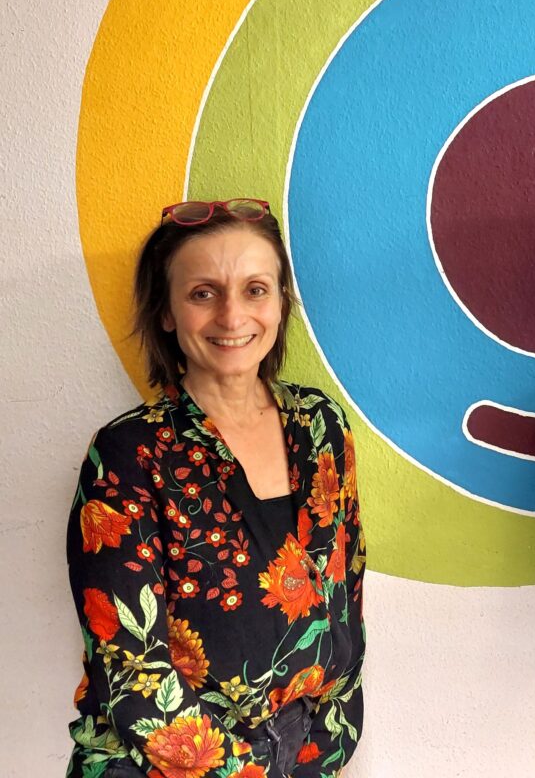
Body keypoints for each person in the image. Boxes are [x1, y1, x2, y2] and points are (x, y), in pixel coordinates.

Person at [66, 199, 365, 778]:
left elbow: (346, 587)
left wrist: (327, 749)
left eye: (255, 290)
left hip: (299, 744)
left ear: (280, 303)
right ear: (167, 313)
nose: (233, 316)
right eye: (203, 293)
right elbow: (130, 667)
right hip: (156, 761)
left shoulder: (321, 426)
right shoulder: (129, 453)